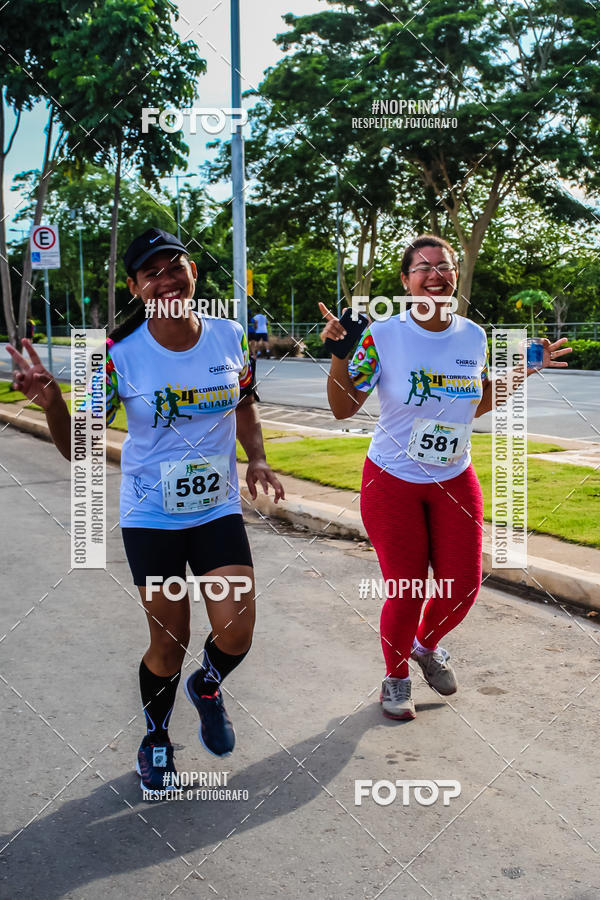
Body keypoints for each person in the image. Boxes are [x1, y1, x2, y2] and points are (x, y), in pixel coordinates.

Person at [6, 227, 284, 790]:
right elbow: (78, 446)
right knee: (169, 640)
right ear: (135, 287)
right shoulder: (114, 357)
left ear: (193, 273)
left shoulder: (230, 337)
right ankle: (156, 737)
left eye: (173, 265)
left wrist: (255, 458)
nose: (165, 278)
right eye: (151, 272)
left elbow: (246, 405)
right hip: (152, 515)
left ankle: (206, 685)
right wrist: (54, 402)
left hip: (216, 510)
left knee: (237, 632)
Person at [319, 234, 572, 721]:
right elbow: (341, 407)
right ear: (405, 280)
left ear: (455, 275)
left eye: (444, 266)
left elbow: (472, 402)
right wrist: (339, 354)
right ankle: (395, 679)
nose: (435, 275)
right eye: (423, 267)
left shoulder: (472, 336)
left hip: (454, 477)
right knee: (408, 586)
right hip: (391, 479)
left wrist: (524, 369)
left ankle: (424, 645)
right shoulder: (383, 335)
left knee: (463, 584)